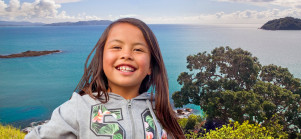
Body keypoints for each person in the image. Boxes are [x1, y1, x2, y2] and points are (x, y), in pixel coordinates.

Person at [25, 18, 185, 139]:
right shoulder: (77, 108)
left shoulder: (160, 111)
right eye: (116, 47)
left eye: (138, 49)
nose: (126, 55)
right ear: (101, 59)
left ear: (151, 66)